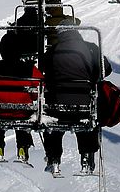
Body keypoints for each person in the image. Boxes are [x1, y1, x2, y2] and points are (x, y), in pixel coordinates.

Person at [41, 17, 112, 175]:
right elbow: (106, 69)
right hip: (84, 103)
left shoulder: (52, 51)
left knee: (53, 124)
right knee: (87, 122)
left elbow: (42, 71)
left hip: (56, 104)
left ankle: (53, 159)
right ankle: (87, 158)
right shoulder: (91, 48)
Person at [0, 31, 42, 163]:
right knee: (23, 124)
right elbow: (39, 89)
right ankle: (22, 149)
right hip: (23, 111)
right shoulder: (30, 69)